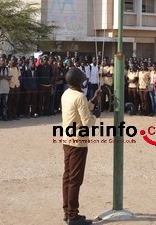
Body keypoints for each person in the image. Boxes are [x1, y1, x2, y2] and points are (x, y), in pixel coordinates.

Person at [61, 67, 99, 225]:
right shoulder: (80, 96)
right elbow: (86, 122)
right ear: (78, 81)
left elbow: (78, 110)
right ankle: (73, 216)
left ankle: (67, 212)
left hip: (67, 140)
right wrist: (95, 115)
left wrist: (93, 101)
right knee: (75, 180)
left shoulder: (67, 94)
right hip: (78, 142)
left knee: (68, 177)